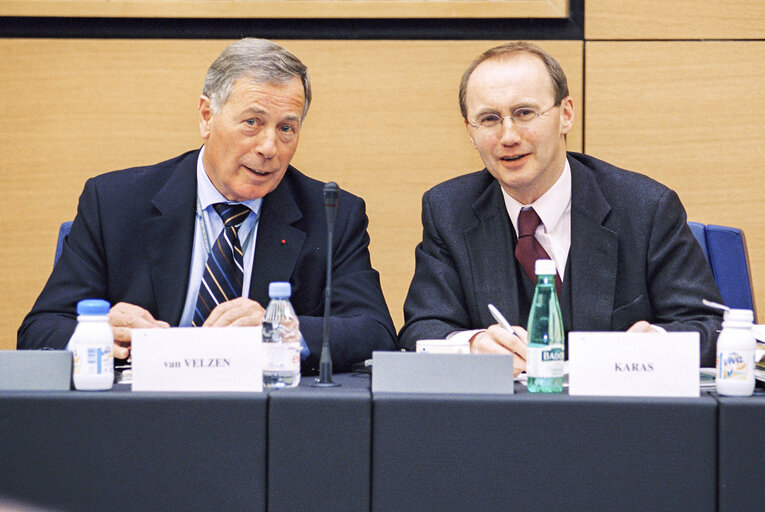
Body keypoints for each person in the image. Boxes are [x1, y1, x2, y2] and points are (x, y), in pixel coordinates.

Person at [18, 38, 397, 373]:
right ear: (206, 117)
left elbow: (376, 331)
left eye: (286, 128)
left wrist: (284, 330)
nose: (269, 148)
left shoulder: (331, 214)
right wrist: (96, 332)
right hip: (138, 415)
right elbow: (40, 330)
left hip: (268, 419)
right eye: (252, 122)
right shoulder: (115, 203)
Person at [398, 42, 723, 371]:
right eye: (489, 119)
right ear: (469, 131)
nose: (508, 135)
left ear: (565, 114)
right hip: (500, 418)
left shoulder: (645, 207)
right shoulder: (449, 210)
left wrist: (655, 341)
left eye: (525, 113)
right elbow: (420, 331)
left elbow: (709, 328)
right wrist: (470, 346)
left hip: (616, 417)